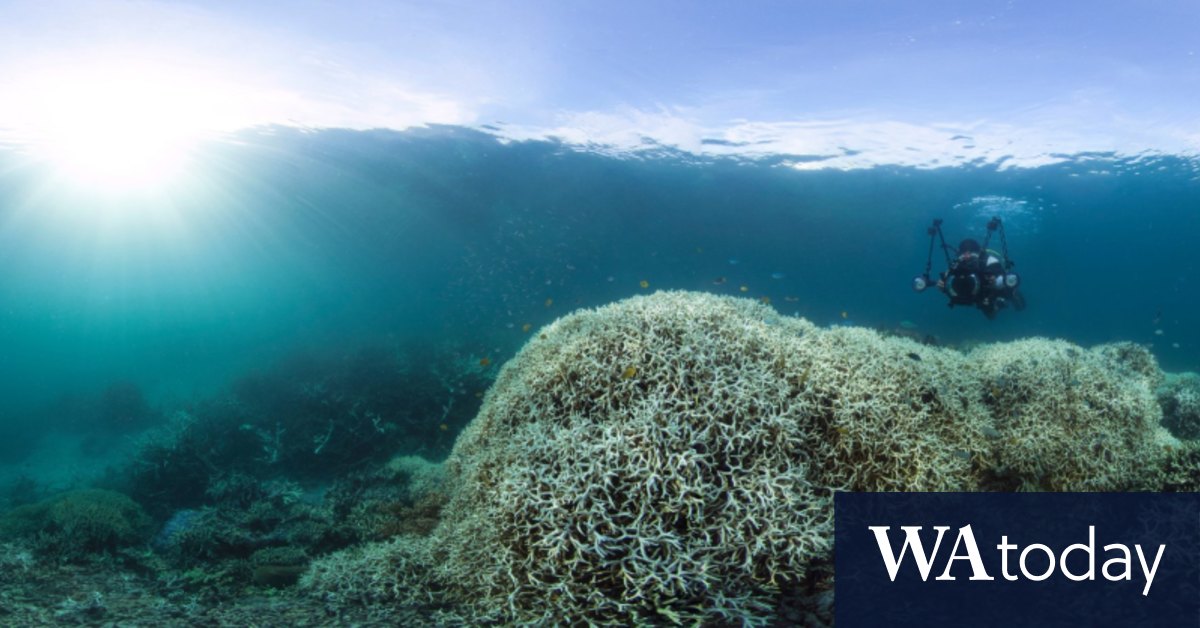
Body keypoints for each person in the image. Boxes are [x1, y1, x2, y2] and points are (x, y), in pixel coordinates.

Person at [937, 238, 1025, 319]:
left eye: (971, 252)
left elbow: (1002, 278)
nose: (967, 255)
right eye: (964, 252)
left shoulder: (989, 260)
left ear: (978, 252)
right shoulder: (956, 265)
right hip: (977, 294)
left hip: (992, 290)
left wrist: (994, 280)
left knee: (1017, 303)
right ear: (959, 254)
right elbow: (946, 281)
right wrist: (942, 285)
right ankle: (998, 306)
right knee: (990, 315)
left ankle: (1009, 298)